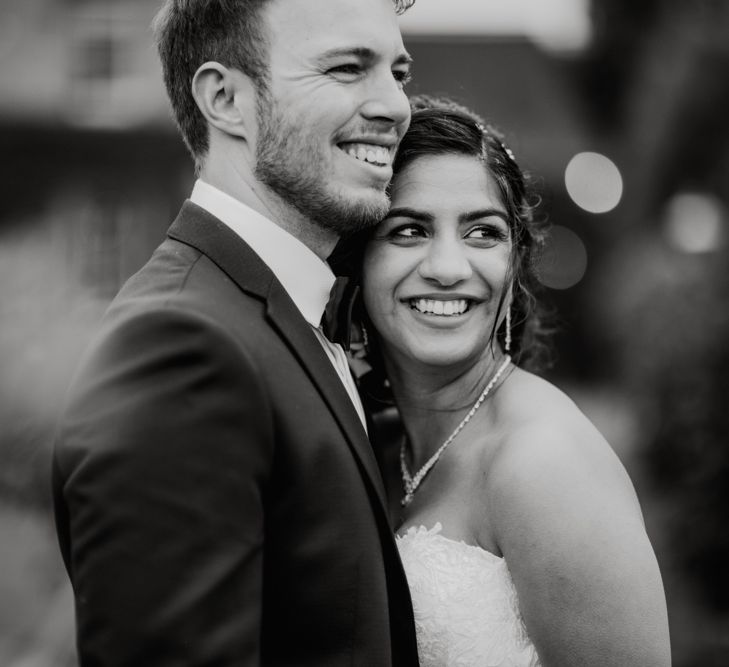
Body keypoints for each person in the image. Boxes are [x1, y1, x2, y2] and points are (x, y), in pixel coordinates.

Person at [51, 0, 420, 665]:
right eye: (347, 67)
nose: (395, 106)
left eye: (398, 72)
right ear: (225, 98)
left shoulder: (281, 315)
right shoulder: (180, 348)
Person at [352, 97, 672, 666]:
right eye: (408, 230)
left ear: (515, 263)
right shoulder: (381, 439)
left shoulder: (544, 462)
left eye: (482, 233)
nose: (449, 267)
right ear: (357, 258)